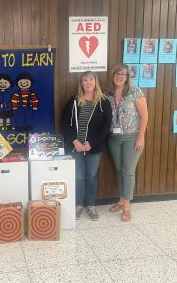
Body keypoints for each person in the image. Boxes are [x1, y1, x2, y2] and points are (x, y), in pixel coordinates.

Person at [60, 71, 112, 221]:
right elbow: (64, 123)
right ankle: (78, 205)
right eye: (85, 80)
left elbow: (106, 126)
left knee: (91, 177)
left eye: (91, 79)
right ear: (81, 83)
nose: (88, 82)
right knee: (79, 177)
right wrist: (74, 141)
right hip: (75, 147)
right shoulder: (73, 101)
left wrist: (92, 143)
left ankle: (91, 205)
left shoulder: (103, 102)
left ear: (95, 82)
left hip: (93, 149)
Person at [107, 64, 148, 222]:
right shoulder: (108, 94)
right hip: (114, 138)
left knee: (128, 171)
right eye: (117, 74)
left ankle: (127, 206)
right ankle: (121, 199)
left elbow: (144, 116)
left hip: (132, 137)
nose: (119, 76)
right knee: (119, 170)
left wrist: (140, 137)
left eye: (123, 74)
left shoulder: (135, 92)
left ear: (127, 77)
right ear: (113, 76)